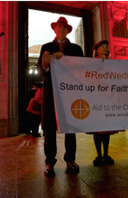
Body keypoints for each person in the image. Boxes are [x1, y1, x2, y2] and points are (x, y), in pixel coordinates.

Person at [37, 17, 84, 177]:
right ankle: (50, 162)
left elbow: (83, 69)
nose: (62, 29)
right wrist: (44, 64)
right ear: (55, 29)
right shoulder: (46, 47)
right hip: (50, 93)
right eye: (60, 26)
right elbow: (40, 72)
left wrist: (64, 58)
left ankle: (70, 159)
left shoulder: (76, 49)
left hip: (70, 93)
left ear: (68, 30)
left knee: (71, 128)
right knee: (49, 129)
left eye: (65, 27)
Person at [90, 40, 115, 166]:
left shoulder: (111, 63)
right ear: (98, 49)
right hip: (96, 98)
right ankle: (99, 154)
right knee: (97, 130)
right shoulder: (92, 62)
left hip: (108, 98)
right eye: (103, 47)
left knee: (106, 129)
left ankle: (106, 153)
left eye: (106, 47)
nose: (105, 48)